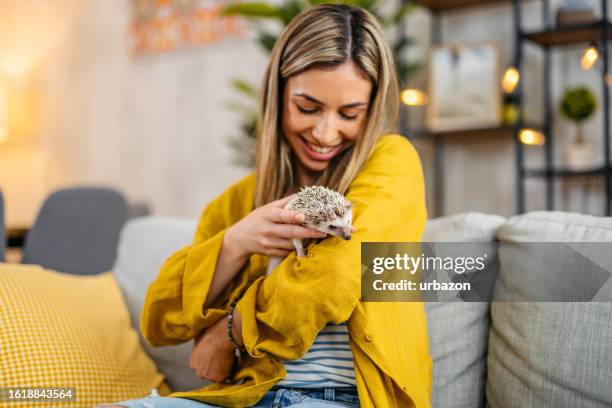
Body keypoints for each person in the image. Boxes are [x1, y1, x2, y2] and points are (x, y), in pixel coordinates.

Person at [103, 3, 431, 408]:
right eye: (307, 108)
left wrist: (231, 330)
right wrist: (235, 242)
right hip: (247, 397)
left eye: (350, 113)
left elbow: (336, 274)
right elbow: (161, 319)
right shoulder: (240, 201)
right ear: (278, 96)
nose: (326, 133)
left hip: (346, 398)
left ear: (373, 108)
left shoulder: (393, 162)